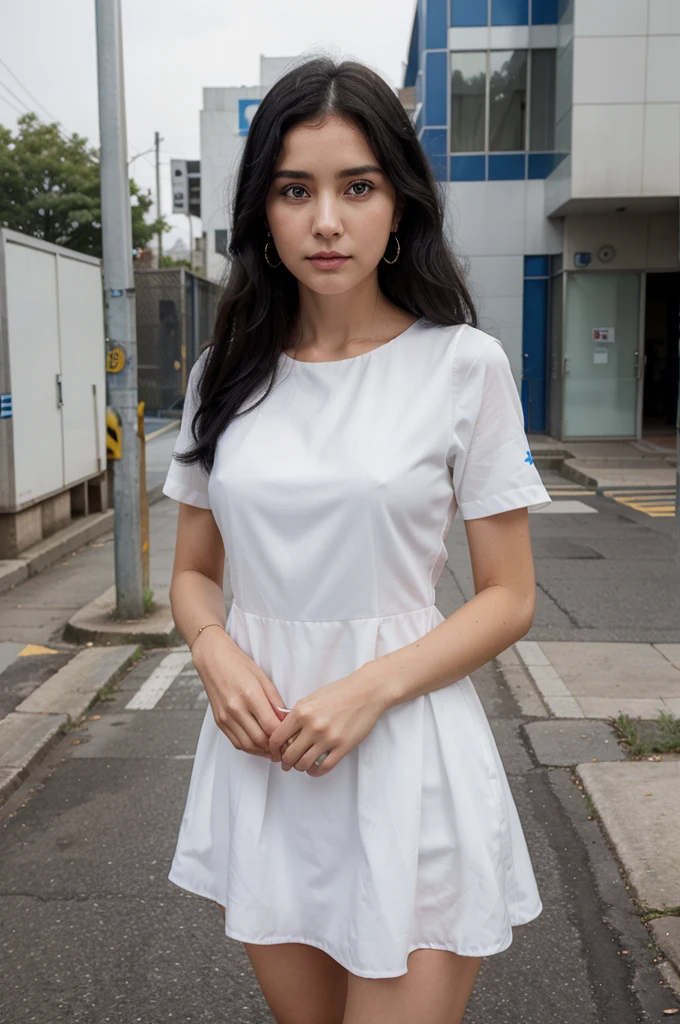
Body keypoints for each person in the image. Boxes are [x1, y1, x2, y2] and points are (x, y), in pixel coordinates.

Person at [162, 54, 552, 1024]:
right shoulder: (223, 374)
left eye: (356, 186)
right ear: (262, 208)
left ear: (398, 203)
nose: (325, 220)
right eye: (296, 189)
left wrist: (366, 687)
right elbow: (192, 574)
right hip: (267, 763)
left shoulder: (461, 365)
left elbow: (508, 594)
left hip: (404, 752)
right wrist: (213, 650)